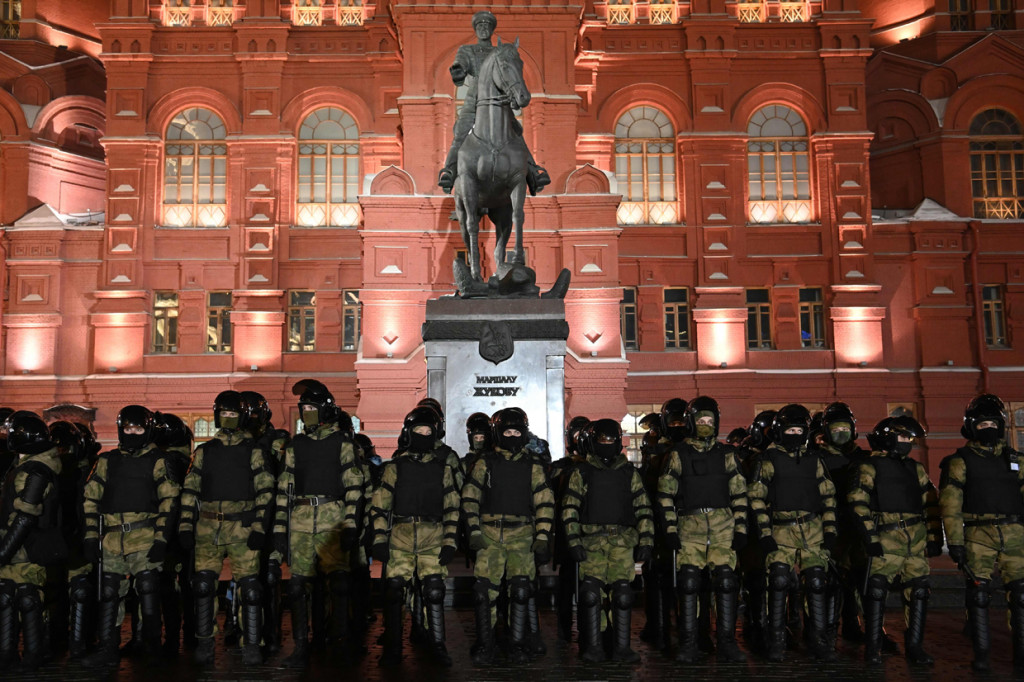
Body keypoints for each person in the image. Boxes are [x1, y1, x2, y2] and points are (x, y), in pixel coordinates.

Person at [272, 380, 364, 668]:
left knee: (338, 584)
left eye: (312, 407)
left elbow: (354, 487)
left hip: (331, 520)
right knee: (298, 588)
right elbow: (284, 490)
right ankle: (301, 646)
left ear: (325, 409)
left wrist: (350, 524)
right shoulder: (295, 446)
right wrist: (279, 532)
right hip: (300, 523)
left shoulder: (344, 444)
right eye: (304, 408)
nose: (307, 412)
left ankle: (339, 643)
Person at [177, 391, 274, 666]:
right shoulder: (204, 452)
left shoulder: (255, 451)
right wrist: (185, 526)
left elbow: (266, 491)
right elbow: (189, 491)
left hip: (242, 526)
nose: (228, 419)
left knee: (251, 589)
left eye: (233, 414)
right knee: (204, 586)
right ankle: (205, 642)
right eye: (225, 414)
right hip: (208, 526)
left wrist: (260, 527)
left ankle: (252, 644)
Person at [82, 405, 180, 666]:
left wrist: (161, 540)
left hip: (144, 535)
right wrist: (91, 537)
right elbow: (91, 499)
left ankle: (151, 648)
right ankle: (108, 649)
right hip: (112, 538)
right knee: (110, 593)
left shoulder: (159, 460)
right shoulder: (107, 460)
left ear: (146, 430)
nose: (132, 433)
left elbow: (169, 502)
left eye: (137, 428)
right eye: (127, 428)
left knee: (148, 590)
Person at [658, 396, 748, 663]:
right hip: (690, 524)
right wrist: (670, 530)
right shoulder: (677, 454)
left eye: (710, 420)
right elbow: (665, 495)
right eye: (701, 421)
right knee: (688, 583)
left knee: (726, 582)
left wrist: (741, 529)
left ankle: (727, 643)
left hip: (722, 524)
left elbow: (740, 494)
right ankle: (688, 643)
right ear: (691, 423)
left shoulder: (727, 455)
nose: (706, 425)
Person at [461, 407, 554, 665]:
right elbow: (470, 497)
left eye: (516, 431)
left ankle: (517, 643)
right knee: (483, 593)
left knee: (521, 591)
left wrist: (543, 536)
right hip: (489, 533)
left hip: (522, 534)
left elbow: (544, 501)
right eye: (507, 431)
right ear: (497, 434)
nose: (511, 436)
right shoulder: (484, 462)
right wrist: (473, 530)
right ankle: (485, 644)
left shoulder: (533, 465)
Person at [370, 407, 461, 666]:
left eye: (427, 432)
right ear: (409, 434)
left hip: (433, 535)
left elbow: (452, 507)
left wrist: (450, 541)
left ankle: (438, 646)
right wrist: (379, 539)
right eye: (418, 431)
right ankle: (393, 648)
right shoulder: (394, 467)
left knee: (434, 591)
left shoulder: (443, 468)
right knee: (394, 592)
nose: (423, 435)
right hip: (400, 535)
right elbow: (379, 506)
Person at [940, 393, 1024, 671]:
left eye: (992, 422)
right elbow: (950, 503)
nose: (987, 427)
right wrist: (954, 541)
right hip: (978, 534)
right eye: (982, 423)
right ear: (971, 426)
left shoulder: (1016, 460)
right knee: (977, 595)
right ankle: (982, 654)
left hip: (1015, 534)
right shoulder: (960, 460)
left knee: (1021, 595)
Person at [848, 416, 941, 665]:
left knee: (919, 591)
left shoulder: (915, 468)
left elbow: (930, 502)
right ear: (888, 437)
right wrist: (870, 537)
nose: (908, 443)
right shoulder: (870, 466)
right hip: (886, 538)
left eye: (910, 439)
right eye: (903, 438)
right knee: (876, 592)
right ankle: (874, 646)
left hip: (916, 540)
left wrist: (934, 536)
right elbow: (858, 503)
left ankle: (915, 647)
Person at [748, 404, 837, 662]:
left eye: (799, 429)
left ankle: (817, 639)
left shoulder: (814, 460)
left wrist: (830, 531)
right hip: (780, 529)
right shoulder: (768, 460)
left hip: (812, 529)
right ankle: (775, 640)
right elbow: (756, 499)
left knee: (817, 583)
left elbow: (829, 497)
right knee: (777, 582)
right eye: (790, 429)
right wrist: (764, 534)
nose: (795, 434)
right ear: (779, 431)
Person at [563, 418, 653, 663]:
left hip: (621, 542)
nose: (607, 444)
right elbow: (570, 508)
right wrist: (574, 541)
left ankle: (621, 647)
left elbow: (643, 508)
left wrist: (646, 541)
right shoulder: (581, 472)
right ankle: (593, 646)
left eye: (611, 440)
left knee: (623, 595)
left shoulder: (628, 473)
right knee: (591, 594)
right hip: (592, 542)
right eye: (602, 440)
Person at [437, 11, 550, 196]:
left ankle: (533, 173)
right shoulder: (467, 50)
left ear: (491, 30)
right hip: (474, 100)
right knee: (461, 132)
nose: (483, 29)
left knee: (516, 133)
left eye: (487, 26)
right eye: (480, 26)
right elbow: (460, 66)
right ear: (475, 29)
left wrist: (514, 95)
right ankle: (449, 172)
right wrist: (458, 70)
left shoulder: (500, 51)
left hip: (499, 102)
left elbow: (511, 73)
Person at [0, 412, 64, 672]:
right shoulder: (26, 465)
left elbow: (25, 517)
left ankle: (35, 653)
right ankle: (7, 654)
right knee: (5, 597)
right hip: (18, 544)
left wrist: (4, 552)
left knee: (27, 598)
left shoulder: (36, 470)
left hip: (30, 546)